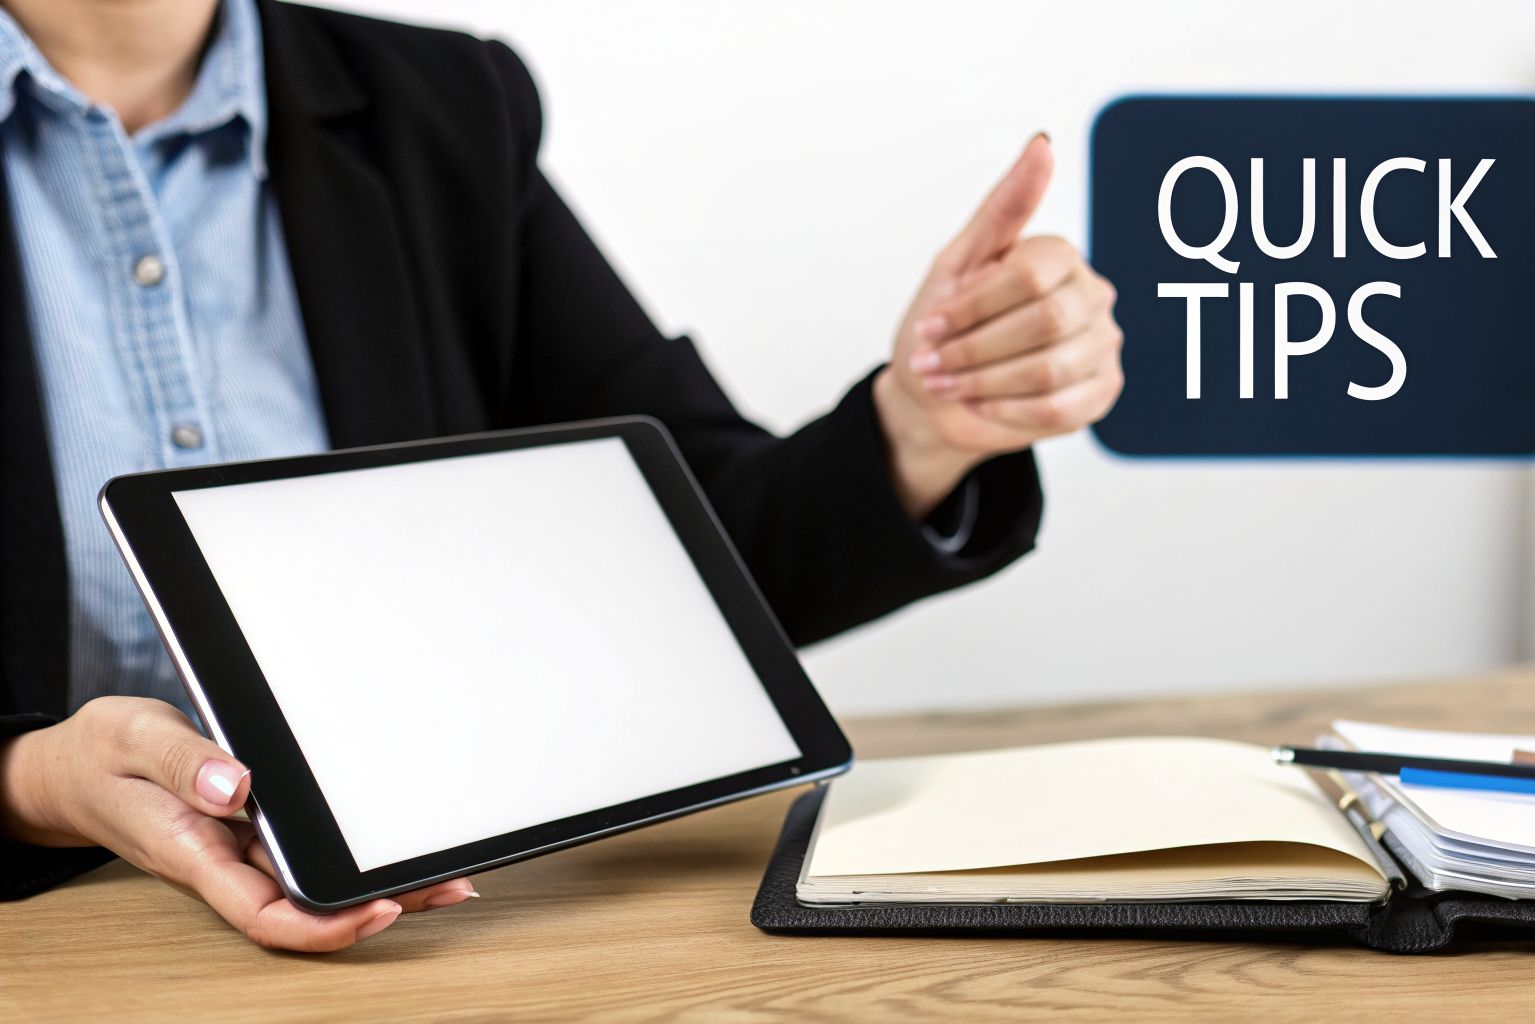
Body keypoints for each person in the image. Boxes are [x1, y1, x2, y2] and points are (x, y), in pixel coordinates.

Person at [0, 0, 1123, 952]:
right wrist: (26, 783)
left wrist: (918, 426)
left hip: (425, 943)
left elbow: (690, 558)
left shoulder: (440, 105)